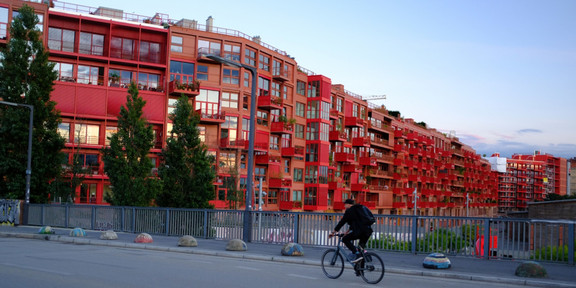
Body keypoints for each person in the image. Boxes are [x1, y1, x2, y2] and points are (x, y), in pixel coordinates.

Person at [329, 199, 373, 263]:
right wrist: (346, 232)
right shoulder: (359, 209)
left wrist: (333, 232)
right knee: (361, 250)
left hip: (360, 232)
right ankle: (360, 270)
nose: (344, 206)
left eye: (345, 204)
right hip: (367, 231)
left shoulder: (349, 211)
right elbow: (353, 224)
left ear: (349, 204)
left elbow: (342, 222)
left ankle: (356, 253)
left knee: (345, 239)